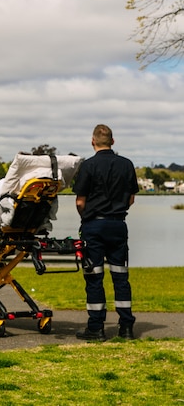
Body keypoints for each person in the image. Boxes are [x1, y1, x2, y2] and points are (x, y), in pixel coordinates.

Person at [72, 124, 139, 341]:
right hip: (118, 225)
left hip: (94, 226)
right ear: (113, 141)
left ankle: (96, 328)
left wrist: (86, 217)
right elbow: (131, 198)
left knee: (94, 277)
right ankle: (126, 328)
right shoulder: (127, 165)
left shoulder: (88, 166)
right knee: (121, 277)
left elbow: (80, 201)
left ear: (92, 142)